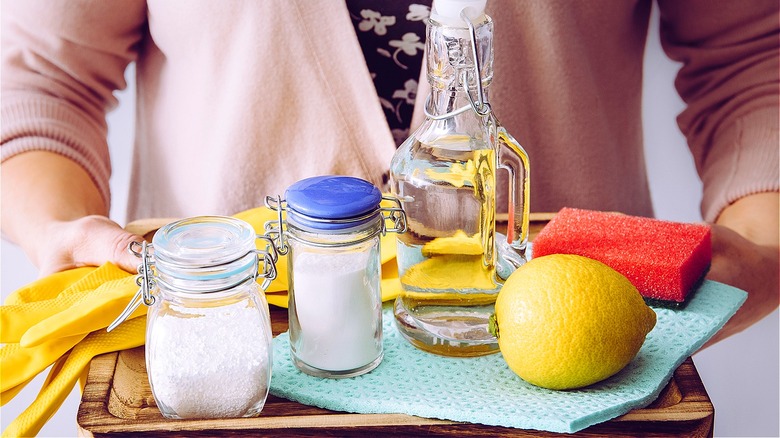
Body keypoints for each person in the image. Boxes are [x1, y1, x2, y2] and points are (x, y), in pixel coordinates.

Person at [1, 0, 777, 346]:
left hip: (571, 376)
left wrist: (760, 243)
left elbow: (753, 62)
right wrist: (60, 229)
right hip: (220, 369)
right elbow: (41, 78)